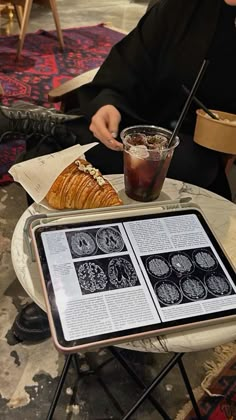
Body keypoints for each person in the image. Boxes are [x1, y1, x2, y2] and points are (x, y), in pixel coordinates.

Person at [1, 0, 235, 341]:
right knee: (51, 157)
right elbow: (126, 66)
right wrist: (108, 100)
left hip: (199, 154)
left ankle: (59, 125)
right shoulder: (178, 7)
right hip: (134, 129)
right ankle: (57, 280)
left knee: (192, 162)